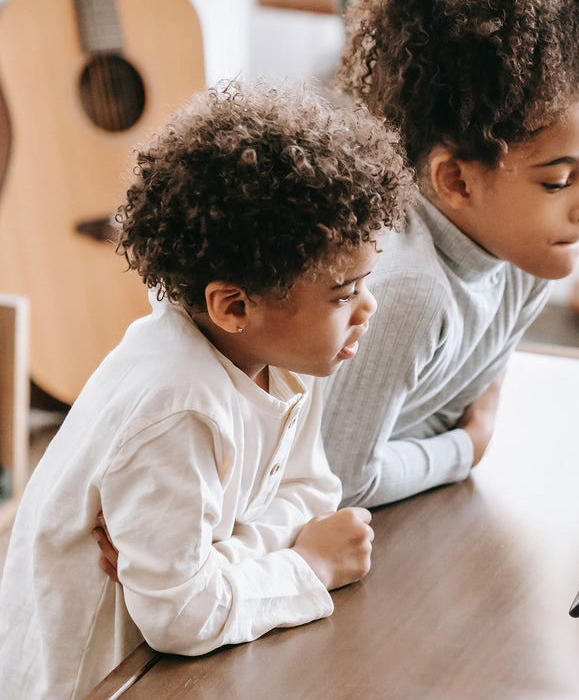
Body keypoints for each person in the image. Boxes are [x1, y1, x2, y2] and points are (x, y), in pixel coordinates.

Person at [0, 81, 414, 699]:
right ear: (234, 305)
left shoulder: (290, 355)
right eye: (344, 293)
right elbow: (181, 617)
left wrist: (224, 559)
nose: (368, 308)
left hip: (182, 656)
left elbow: (312, 492)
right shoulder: (177, 407)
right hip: (98, 680)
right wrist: (310, 566)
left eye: (364, 282)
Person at [322, 0, 579, 507]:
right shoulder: (410, 291)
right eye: (558, 180)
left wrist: (463, 432)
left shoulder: (527, 255)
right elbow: (336, 483)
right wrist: (468, 447)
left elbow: (473, 391)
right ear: (456, 179)